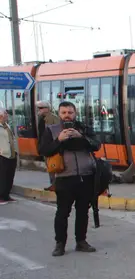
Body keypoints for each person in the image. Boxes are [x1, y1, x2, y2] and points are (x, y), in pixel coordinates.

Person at [37, 101, 102, 256]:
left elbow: (96, 145)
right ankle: (60, 244)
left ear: (75, 113)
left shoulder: (83, 128)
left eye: (70, 112)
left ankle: (81, 241)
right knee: (62, 213)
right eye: (64, 112)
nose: (67, 115)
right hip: (64, 178)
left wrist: (82, 137)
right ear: (59, 114)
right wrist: (59, 140)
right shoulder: (51, 130)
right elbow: (43, 150)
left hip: (86, 177)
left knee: (82, 212)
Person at [36, 101, 59, 189]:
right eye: (39, 108)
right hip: (44, 146)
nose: (39, 110)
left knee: (54, 165)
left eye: (41, 108)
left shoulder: (53, 118)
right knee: (49, 166)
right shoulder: (41, 119)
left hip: (52, 146)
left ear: (47, 109)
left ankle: (55, 184)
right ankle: (53, 184)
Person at [0, 108, 18, 204]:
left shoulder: (6, 126)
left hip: (12, 154)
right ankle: (1, 196)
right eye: (6, 114)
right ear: (1, 116)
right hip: (2, 155)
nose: (7, 115)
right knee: (2, 176)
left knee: (9, 176)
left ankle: (6, 195)